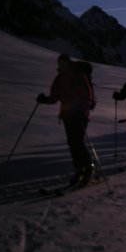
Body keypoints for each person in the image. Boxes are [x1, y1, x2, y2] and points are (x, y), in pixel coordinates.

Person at [37, 53, 95, 186]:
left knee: (78, 141)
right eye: (59, 63)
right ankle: (79, 169)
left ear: (68, 63)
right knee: (72, 142)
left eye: (63, 63)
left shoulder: (78, 76)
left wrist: (82, 111)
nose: (61, 66)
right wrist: (44, 99)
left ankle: (88, 168)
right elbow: (54, 97)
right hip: (67, 115)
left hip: (80, 115)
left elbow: (88, 95)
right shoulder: (59, 79)